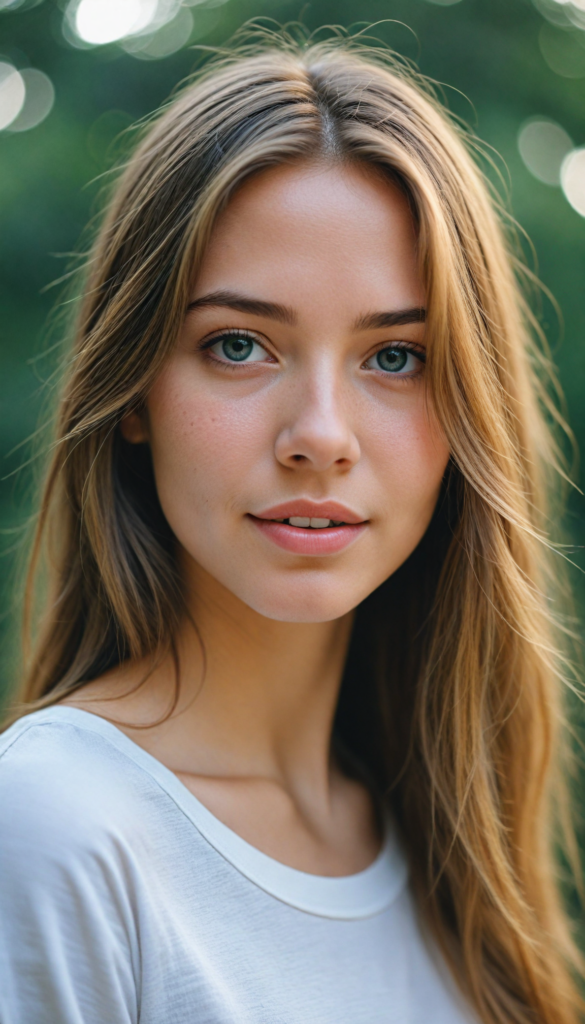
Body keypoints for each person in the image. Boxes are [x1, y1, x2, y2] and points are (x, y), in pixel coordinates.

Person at [0, 33, 582, 1024]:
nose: (319, 434)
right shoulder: (55, 829)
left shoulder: (452, 861)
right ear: (134, 391)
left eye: (394, 357)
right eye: (239, 345)